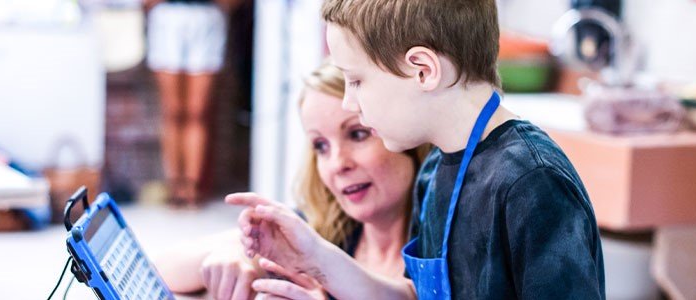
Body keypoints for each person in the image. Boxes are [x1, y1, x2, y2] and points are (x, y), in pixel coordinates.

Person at [227, 0, 606, 299]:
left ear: (422, 70)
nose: (349, 102)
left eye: (356, 80)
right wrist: (316, 257)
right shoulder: (435, 170)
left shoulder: (532, 182)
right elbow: (413, 296)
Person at [155, 62, 427, 299]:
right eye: (320, 146)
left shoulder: (439, 255)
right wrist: (237, 256)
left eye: (357, 134)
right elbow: (159, 268)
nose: (338, 164)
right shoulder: (320, 230)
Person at [144, 0, 228, 205]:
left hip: (206, 15)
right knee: (173, 111)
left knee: (197, 112)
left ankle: (192, 186)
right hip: (168, 16)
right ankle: (174, 186)